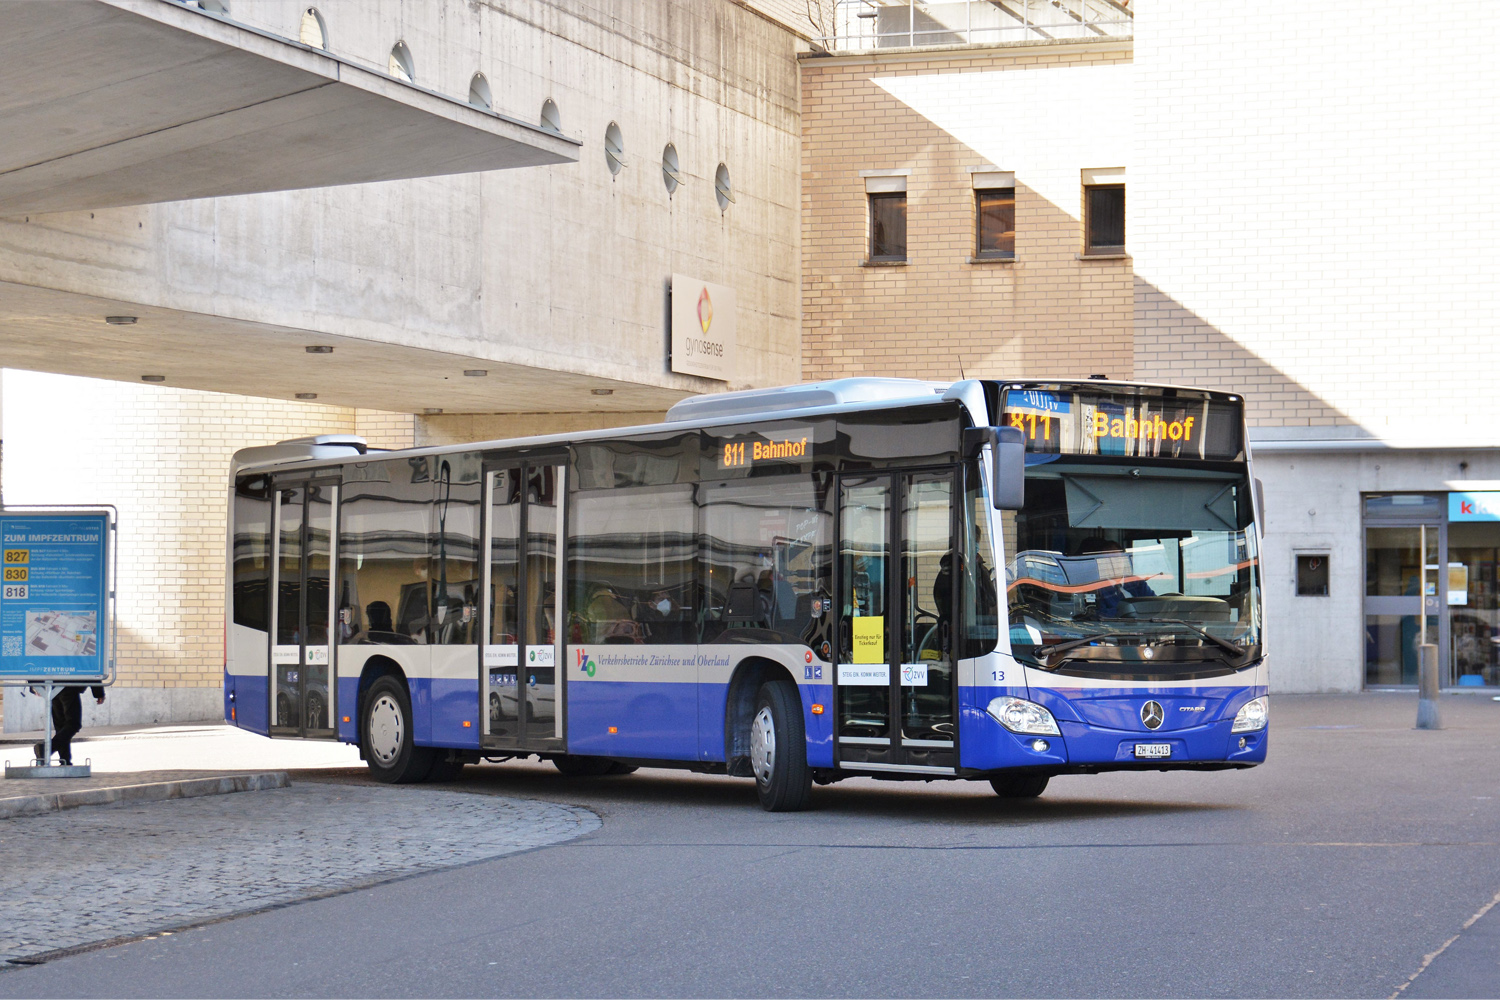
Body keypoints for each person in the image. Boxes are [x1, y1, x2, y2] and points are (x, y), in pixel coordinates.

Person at [1077, 537, 1152, 617]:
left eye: (1117, 560)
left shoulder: (1137, 583)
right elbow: (1099, 615)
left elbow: (1154, 605)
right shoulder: (1096, 588)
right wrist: (1129, 611)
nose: (1113, 565)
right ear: (1100, 564)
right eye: (1107, 561)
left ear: (1124, 561)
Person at [34, 683, 105, 766]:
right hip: (69, 686)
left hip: (52, 688)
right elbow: (92, 671)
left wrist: (36, 687)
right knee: (73, 724)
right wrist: (98, 693)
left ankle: (65, 760)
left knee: (61, 727)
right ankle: (46, 749)